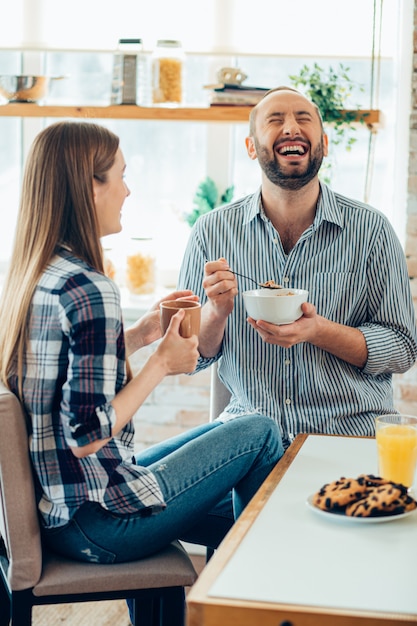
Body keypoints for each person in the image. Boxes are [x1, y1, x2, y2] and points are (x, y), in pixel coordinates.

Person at [0, 121, 283, 583]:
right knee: (258, 431)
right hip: (101, 525)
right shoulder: (90, 287)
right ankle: (254, 594)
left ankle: (244, 575)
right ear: (90, 187)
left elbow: (57, 372)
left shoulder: (40, 273)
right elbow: (86, 434)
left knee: (236, 481)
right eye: (121, 175)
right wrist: (161, 364)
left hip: (63, 509)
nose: (128, 192)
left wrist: (139, 333)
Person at [177, 86, 417, 451]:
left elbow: (402, 348)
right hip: (248, 446)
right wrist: (216, 312)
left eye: (303, 119)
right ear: (251, 147)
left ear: (322, 142)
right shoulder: (212, 231)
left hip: (347, 437)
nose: (291, 127)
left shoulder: (372, 231)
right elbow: (189, 357)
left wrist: (317, 330)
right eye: (275, 120)